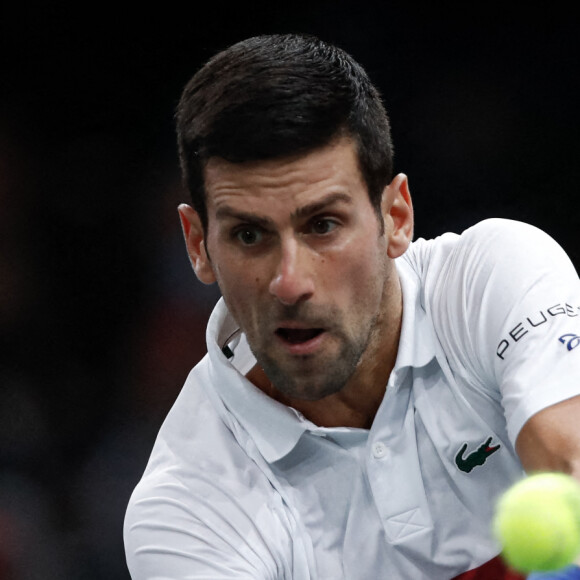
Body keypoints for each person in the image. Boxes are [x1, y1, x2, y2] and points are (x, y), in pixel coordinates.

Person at [123, 33, 580, 579]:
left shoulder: (490, 280)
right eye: (249, 235)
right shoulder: (187, 510)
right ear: (198, 245)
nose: (289, 283)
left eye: (323, 225)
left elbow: (568, 462)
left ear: (396, 217)